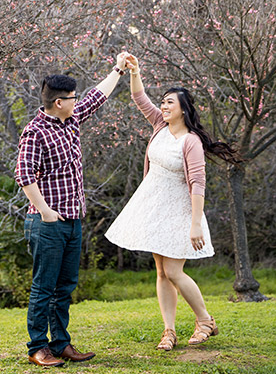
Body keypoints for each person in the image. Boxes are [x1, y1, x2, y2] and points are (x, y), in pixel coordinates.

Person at [105, 53, 238, 351]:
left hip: (181, 213)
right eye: (162, 102)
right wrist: (135, 71)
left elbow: (197, 184)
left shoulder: (190, 141)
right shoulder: (159, 126)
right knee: (162, 272)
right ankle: (169, 331)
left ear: (183, 110)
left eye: (169, 103)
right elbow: (139, 98)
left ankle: (205, 320)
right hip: (155, 209)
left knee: (175, 271)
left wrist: (195, 225)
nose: (163, 106)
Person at [14, 54, 130, 367]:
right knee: (43, 288)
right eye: (72, 98)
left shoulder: (72, 118)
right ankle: (38, 347)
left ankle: (61, 344)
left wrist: (119, 68)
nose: (77, 101)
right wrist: (46, 212)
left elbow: (98, 95)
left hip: (73, 221)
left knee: (64, 288)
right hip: (47, 223)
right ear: (60, 102)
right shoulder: (35, 132)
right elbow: (24, 175)